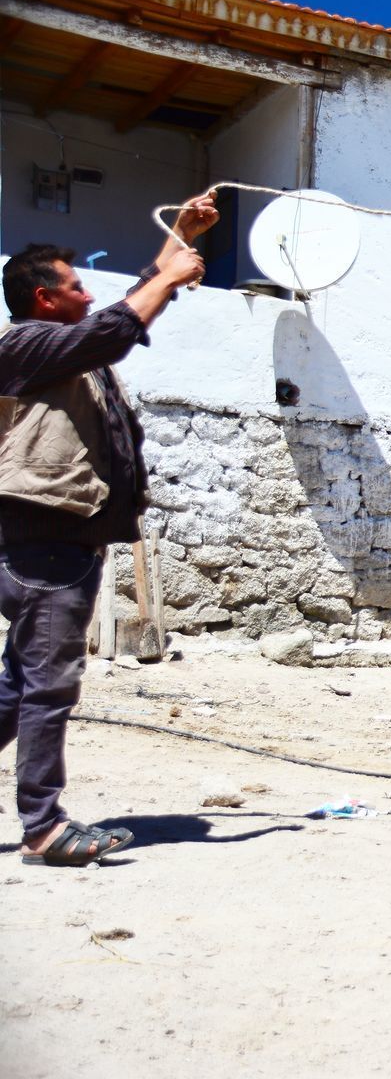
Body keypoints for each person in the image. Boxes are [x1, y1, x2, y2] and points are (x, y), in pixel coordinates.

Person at [0, 193, 218, 866]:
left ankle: (39, 816)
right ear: (43, 299)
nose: (86, 291)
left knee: (18, 684)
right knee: (49, 684)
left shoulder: (63, 350)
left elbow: (124, 309)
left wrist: (178, 237)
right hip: (45, 542)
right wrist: (170, 278)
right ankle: (44, 826)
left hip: (55, 541)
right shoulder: (28, 347)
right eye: (74, 284)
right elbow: (117, 324)